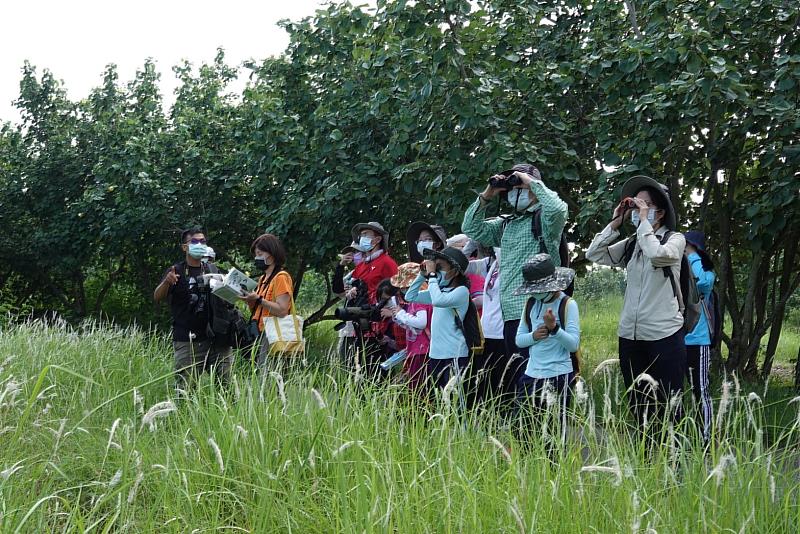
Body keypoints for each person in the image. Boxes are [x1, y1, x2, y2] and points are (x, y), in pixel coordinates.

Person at [585, 175, 686, 432]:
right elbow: (594, 254)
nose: (637, 210)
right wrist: (615, 222)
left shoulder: (674, 239)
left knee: (669, 404)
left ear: (660, 212)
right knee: (639, 404)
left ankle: (674, 462)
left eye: (645, 205)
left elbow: (658, 256)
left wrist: (643, 224)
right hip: (630, 335)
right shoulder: (632, 245)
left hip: (664, 335)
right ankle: (647, 458)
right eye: (635, 204)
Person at [462, 164, 568, 390]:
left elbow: (558, 209)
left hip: (540, 311)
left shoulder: (545, 220)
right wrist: (488, 193)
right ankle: (524, 424)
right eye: (512, 187)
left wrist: (529, 181)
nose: (515, 191)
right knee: (520, 380)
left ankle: (546, 424)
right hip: (511, 315)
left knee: (541, 380)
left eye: (520, 186)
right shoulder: (505, 224)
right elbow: (471, 227)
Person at [153, 227, 234, 396]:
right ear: (185, 247)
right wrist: (167, 282)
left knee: (226, 390)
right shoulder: (176, 271)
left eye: (203, 241)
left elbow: (227, 299)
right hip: (188, 340)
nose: (200, 244)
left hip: (217, 338)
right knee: (185, 391)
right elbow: (157, 296)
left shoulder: (212, 269)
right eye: (195, 242)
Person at [513, 254, 579, 443]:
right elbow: (519, 340)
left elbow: (573, 344)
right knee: (522, 431)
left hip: (559, 375)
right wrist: (534, 336)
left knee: (553, 435)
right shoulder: (531, 303)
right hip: (532, 374)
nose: (535, 292)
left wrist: (555, 329)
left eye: (539, 289)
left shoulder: (568, 304)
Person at [333, 222, 398, 373]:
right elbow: (342, 289)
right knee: (359, 370)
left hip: (380, 327)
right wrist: (352, 290)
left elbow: (398, 290)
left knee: (377, 371)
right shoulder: (361, 265)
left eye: (366, 235)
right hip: (361, 324)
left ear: (377, 239)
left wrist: (393, 311)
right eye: (361, 235)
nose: (362, 238)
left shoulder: (387, 262)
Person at [405, 247, 470, 395]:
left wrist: (432, 274)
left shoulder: (461, 291)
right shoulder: (439, 291)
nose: (436, 270)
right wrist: (422, 275)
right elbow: (410, 296)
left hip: (455, 354)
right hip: (436, 354)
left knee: (455, 402)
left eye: (440, 267)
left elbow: (439, 301)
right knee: (440, 400)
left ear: (454, 271)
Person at [240, 233, 293, 369]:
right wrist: (250, 300)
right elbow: (258, 309)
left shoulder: (281, 277)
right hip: (260, 333)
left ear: (271, 254)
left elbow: (282, 310)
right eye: (255, 254)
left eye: (260, 253)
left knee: (270, 379)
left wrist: (259, 299)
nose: (257, 257)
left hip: (274, 335)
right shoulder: (262, 279)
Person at [683, 230, 716, 444]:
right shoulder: (678, 268)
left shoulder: (707, 272)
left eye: (687, 245)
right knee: (674, 389)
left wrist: (692, 255)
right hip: (677, 339)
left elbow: (700, 283)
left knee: (700, 389)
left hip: (699, 340)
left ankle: (705, 438)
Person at [385, 262, 432, 390]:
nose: (402, 290)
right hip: (416, 349)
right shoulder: (416, 300)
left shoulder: (419, 300)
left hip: (422, 350)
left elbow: (421, 323)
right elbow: (415, 328)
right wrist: (399, 318)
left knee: (419, 388)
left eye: (404, 286)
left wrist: (401, 314)